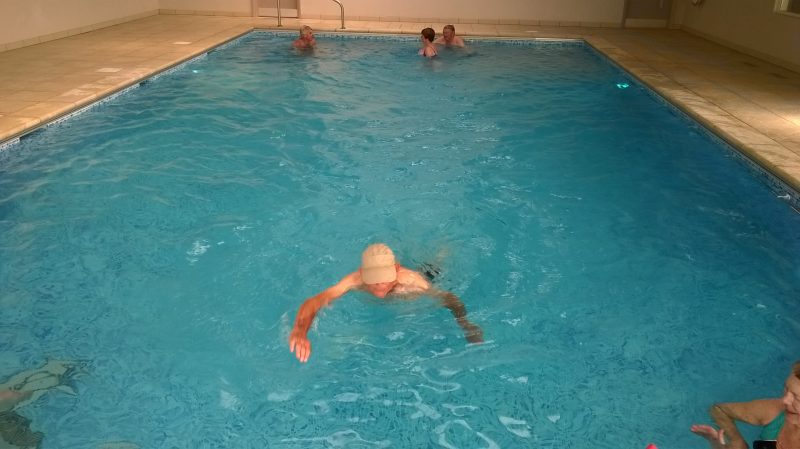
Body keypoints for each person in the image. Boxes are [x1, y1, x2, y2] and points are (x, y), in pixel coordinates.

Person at [288, 243, 484, 363]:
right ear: (363, 272)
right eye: (373, 280)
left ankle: (442, 253)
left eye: (384, 279)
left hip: (426, 276)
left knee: (433, 268)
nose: (378, 286)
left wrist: (465, 323)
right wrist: (300, 330)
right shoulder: (355, 280)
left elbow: (449, 299)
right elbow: (315, 301)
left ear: (396, 269)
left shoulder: (413, 282)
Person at [690, 360, 800, 449]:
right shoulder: (775, 411)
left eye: (797, 398)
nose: (784, 400)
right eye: (786, 388)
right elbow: (718, 410)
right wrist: (736, 441)